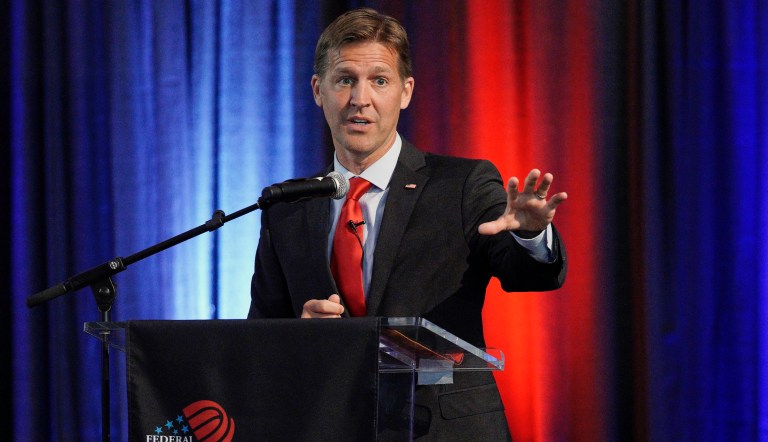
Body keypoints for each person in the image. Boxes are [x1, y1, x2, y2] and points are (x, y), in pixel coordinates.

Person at [248, 7, 567, 440]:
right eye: (345, 79)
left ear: (405, 91)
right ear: (318, 90)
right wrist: (300, 337)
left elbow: (525, 273)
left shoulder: (462, 184)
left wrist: (529, 234)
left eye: (379, 80)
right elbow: (256, 340)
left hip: (444, 429)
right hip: (333, 426)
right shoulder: (288, 206)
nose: (361, 98)